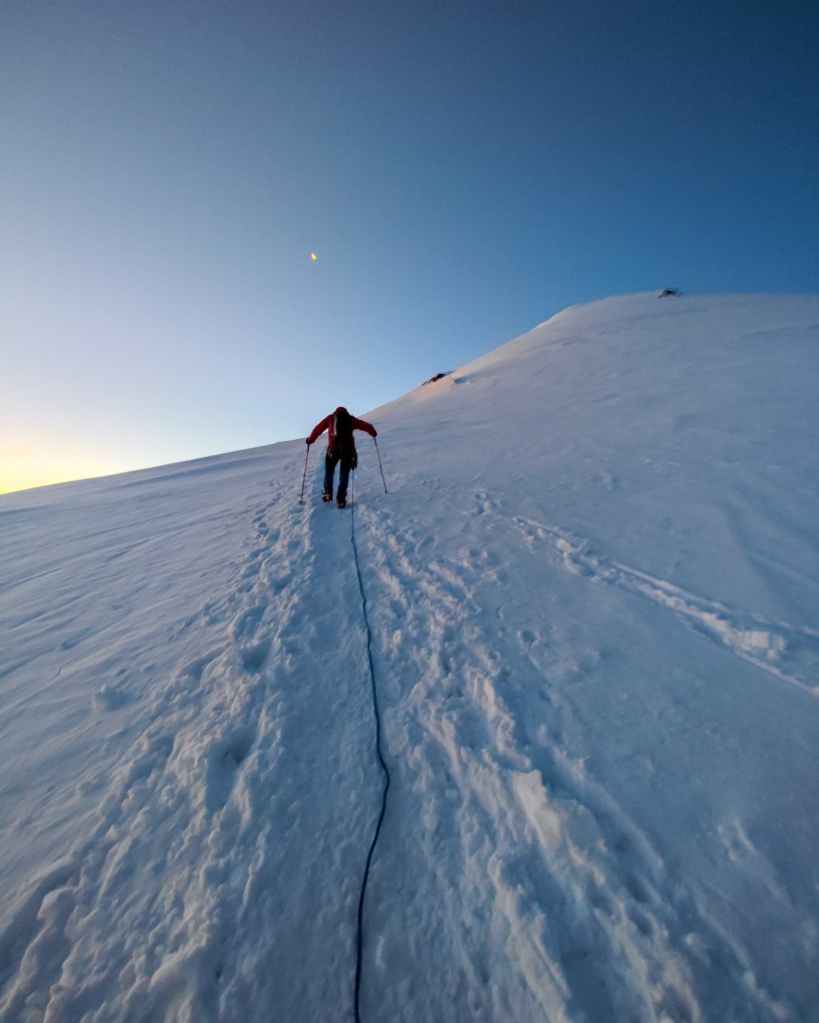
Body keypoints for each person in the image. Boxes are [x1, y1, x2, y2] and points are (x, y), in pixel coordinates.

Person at [306, 406, 377, 508]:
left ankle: (328, 494)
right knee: (344, 475)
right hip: (347, 452)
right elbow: (365, 425)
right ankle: (341, 500)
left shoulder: (330, 418)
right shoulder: (351, 419)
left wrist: (310, 440)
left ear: (335, 412)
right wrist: (373, 432)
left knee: (329, 472)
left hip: (332, 450)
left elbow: (318, 428)